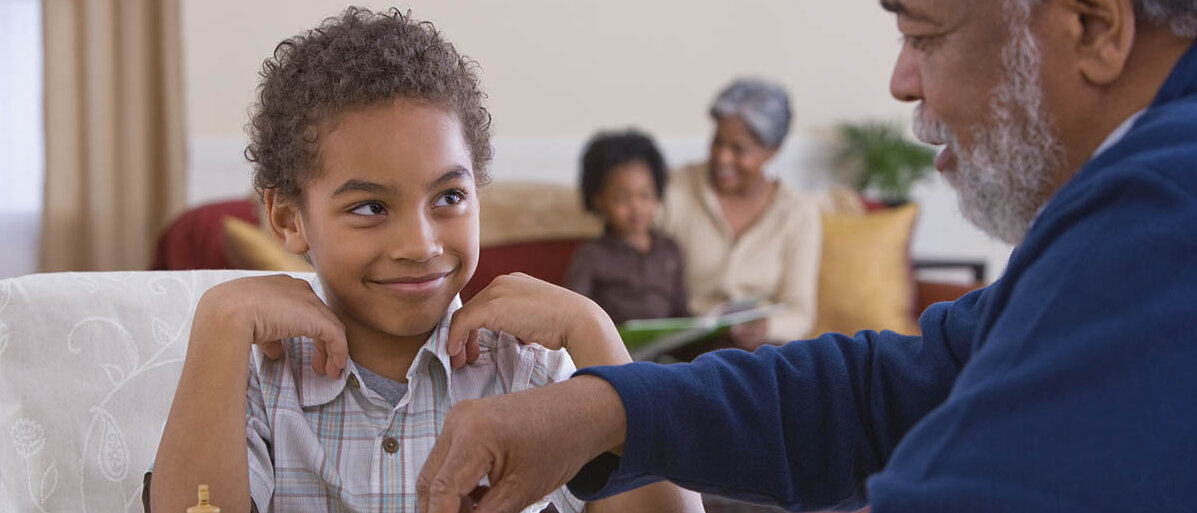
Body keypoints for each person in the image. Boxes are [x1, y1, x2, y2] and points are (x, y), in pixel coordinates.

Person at [418, 0, 1197, 512]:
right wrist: (605, 407)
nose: (899, 80)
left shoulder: (1163, 209)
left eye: (923, 34)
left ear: (1093, 27)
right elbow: (882, 391)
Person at [145, 8, 700, 513]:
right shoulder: (259, 386)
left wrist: (592, 327)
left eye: (449, 198)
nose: (421, 244)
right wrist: (221, 320)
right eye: (370, 206)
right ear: (289, 219)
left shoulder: (531, 370)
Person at [659, 78, 821, 350]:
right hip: (684, 349)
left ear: (772, 151)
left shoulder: (798, 213)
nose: (722, 158)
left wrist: (766, 327)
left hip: (757, 352)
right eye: (717, 142)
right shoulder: (675, 189)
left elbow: (800, 312)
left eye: (739, 149)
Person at [564, 130, 689, 326]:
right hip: (612, 351)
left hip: (667, 351)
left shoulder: (670, 250)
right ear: (598, 201)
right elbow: (572, 313)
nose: (636, 207)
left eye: (645, 195)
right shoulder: (591, 256)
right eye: (621, 199)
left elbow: (681, 312)